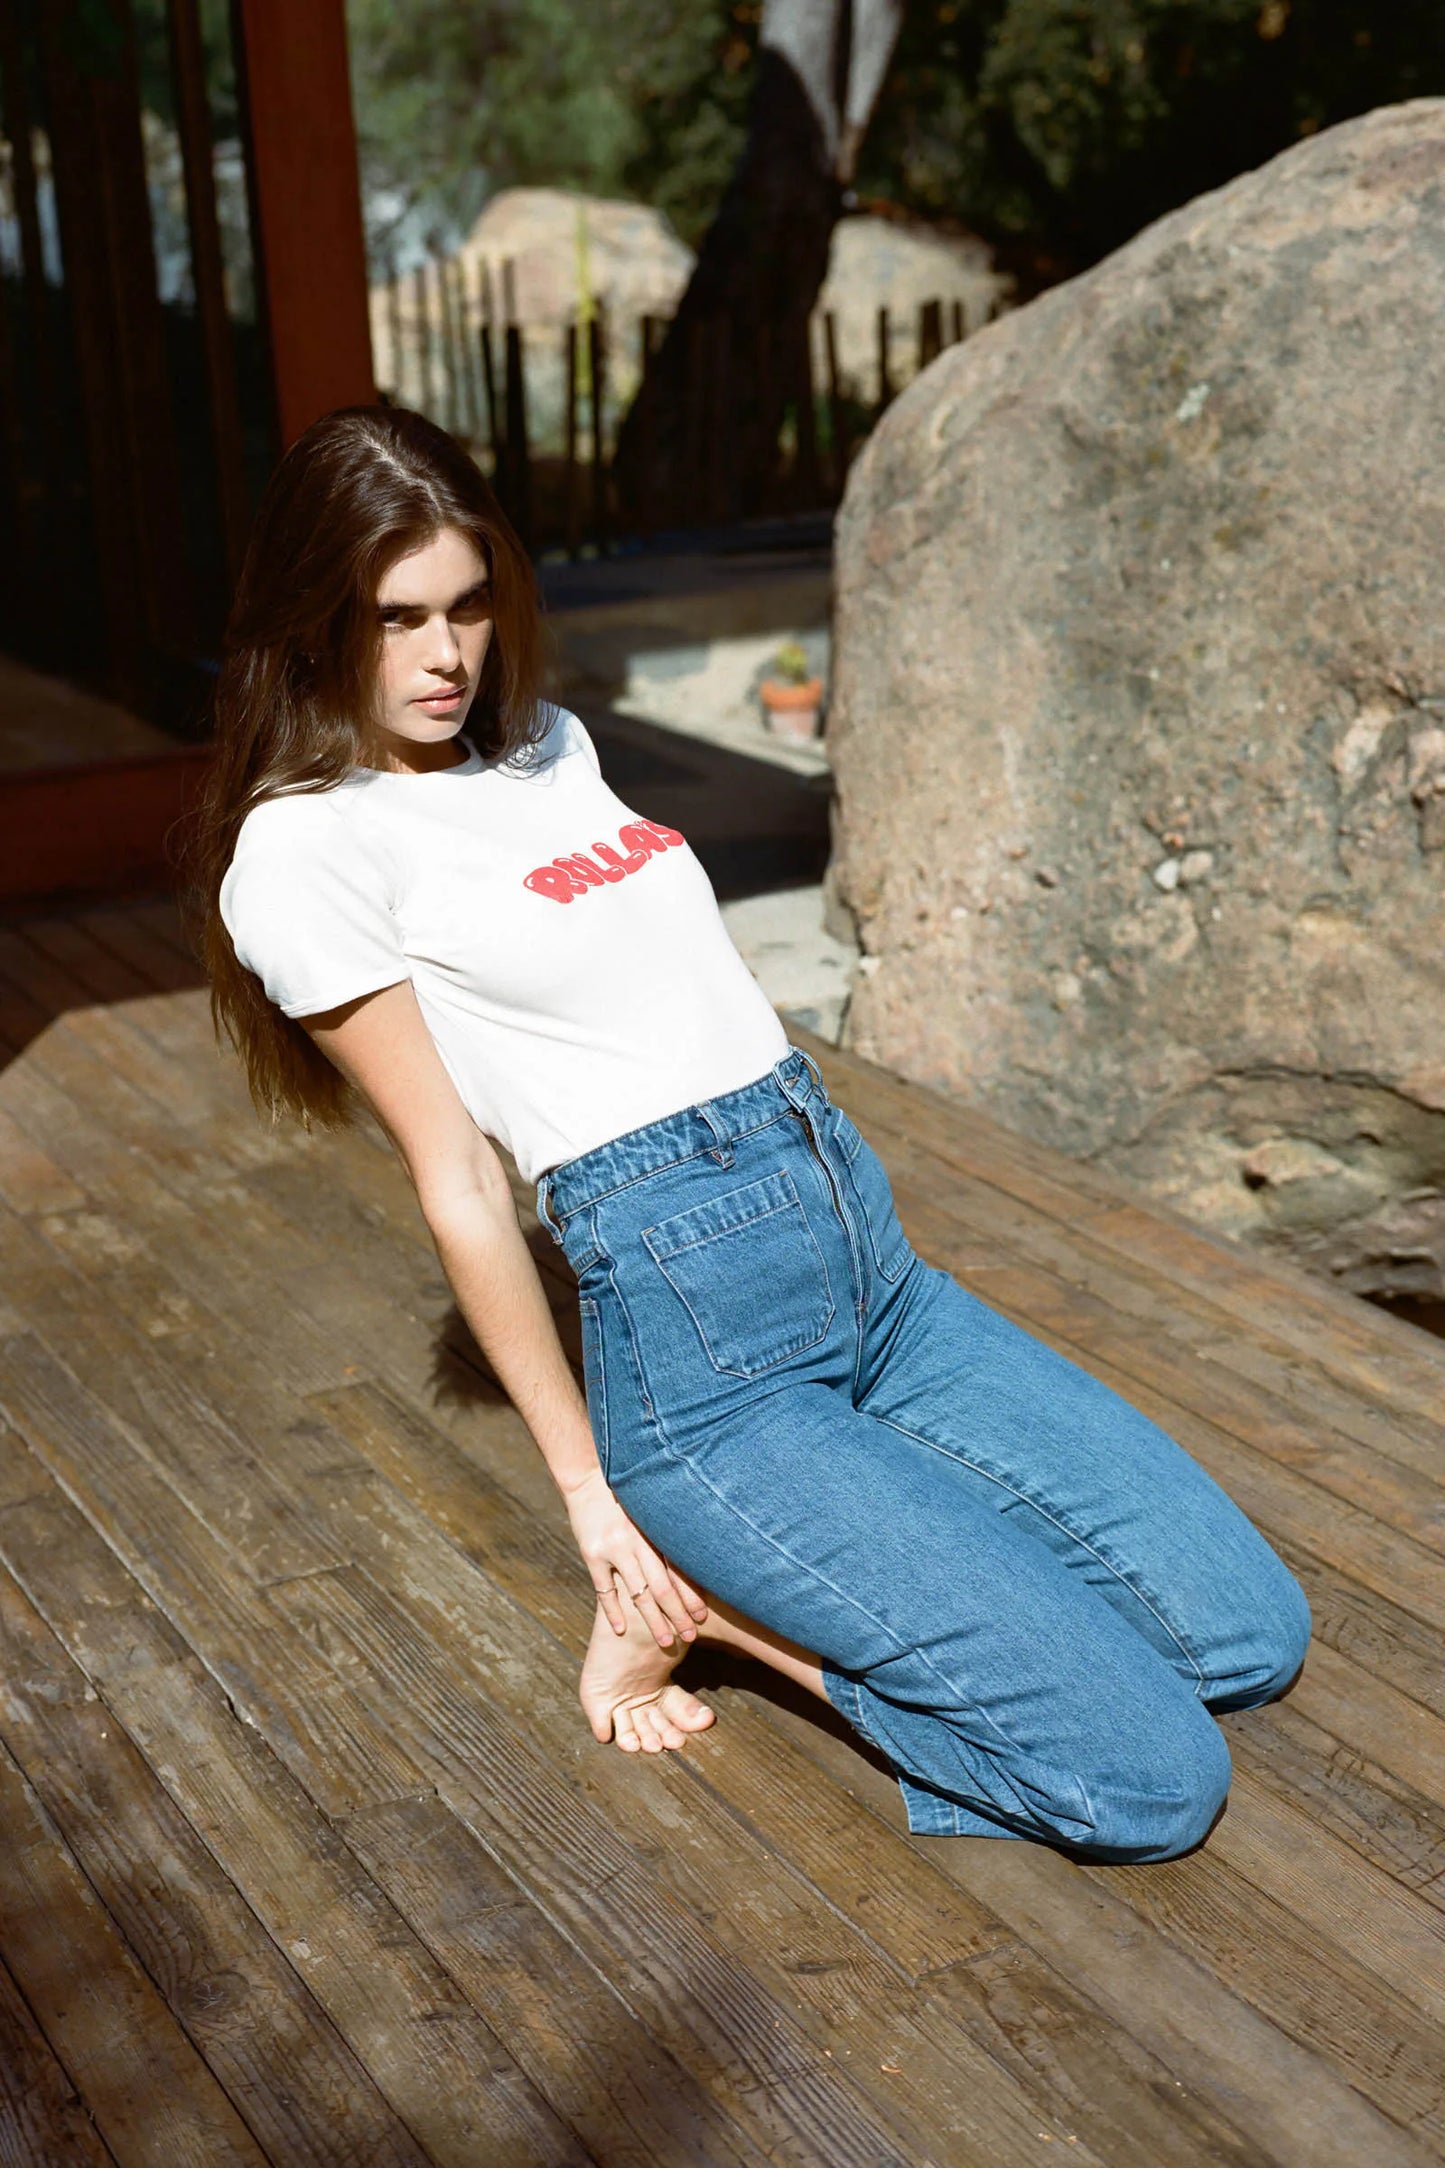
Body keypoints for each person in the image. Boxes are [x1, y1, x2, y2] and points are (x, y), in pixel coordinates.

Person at [192, 406, 1310, 1860]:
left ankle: (892, 1563)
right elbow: (461, 1181)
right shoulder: (307, 849)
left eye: (468, 604)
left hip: (869, 1269)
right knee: (1152, 1783)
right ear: (314, 624)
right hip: (708, 1368)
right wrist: (595, 1502)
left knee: (1243, 1633)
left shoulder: (547, 749)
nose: (444, 655)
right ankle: (727, 1616)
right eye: (394, 619)